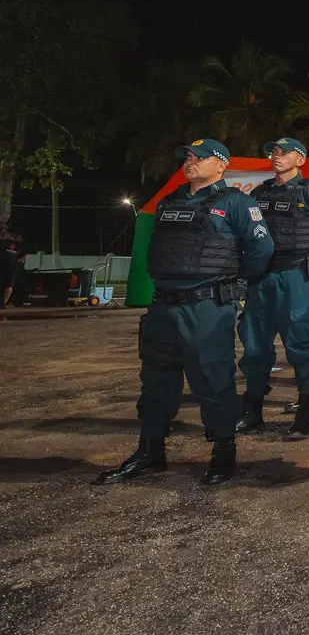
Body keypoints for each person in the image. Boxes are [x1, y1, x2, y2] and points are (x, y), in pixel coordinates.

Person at [95, 139, 273, 485]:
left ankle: (223, 451)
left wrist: (230, 281)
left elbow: (261, 250)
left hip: (206, 306)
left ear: (221, 165)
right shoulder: (170, 201)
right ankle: (150, 452)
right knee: (155, 380)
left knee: (213, 378)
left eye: (199, 157)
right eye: (188, 157)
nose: (190, 161)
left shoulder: (236, 203)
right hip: (163, 305)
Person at [235, 137, 309, 440]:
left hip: (296, 277)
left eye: (284, 152)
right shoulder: (259, 194)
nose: (276, 155)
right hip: (261, 279)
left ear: (300, 160)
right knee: (254, 345)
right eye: (273, 151)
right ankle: (252, 410)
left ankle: (305, 410)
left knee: (301, 345)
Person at [0, 221, 21, 308]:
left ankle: (3, 303)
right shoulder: (3, 243)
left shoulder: (18, 244)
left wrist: (18, 260)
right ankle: (3, 303)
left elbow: (22, 254)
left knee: (9, 286)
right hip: (5, 267)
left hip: (11, 268)